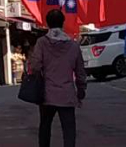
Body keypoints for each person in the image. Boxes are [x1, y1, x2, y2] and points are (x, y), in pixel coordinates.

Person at [26, 8, 87, 147]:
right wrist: (81, 90)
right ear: (63, 23)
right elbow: (80, 72)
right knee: (69, 129)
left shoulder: (42, 43)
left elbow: (35, 66)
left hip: (47, 94)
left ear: (47, 24)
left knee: (45, 127)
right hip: (67, 94)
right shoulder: (73, 45)